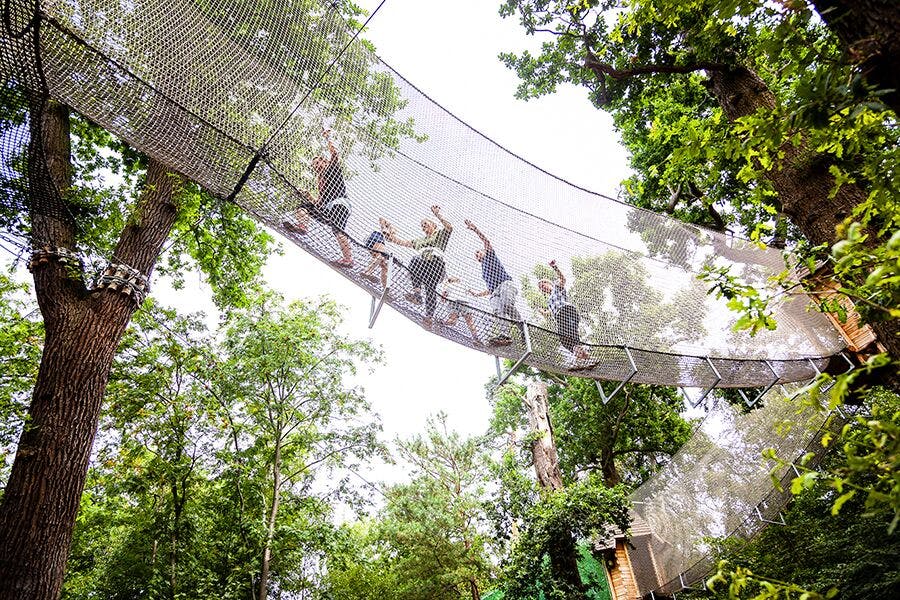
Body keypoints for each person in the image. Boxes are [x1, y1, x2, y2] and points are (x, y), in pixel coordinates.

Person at [282, 129, 354, 267]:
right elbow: (319, 204)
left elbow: (335, 153)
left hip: (339, 204)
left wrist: (328, 138)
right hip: (328, 210)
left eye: (317, 163)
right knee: (304, 207)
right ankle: (302, 226)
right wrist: (308, 195)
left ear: (324, 161)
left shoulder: (331, 169)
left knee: (338, 229)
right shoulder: (320, 181)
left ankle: (348, 259)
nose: (315, 166)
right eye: (313, 165)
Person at [380, 205, 453, 328]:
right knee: (415, 262)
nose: (424, 227)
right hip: (423, 266)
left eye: (426, 224)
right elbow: (402, 242)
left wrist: (437, 214)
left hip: (435, 265)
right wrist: (389, 236)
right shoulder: (420, 240)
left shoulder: (440, 235)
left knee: (430, 288)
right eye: (422, 226)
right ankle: (417, 295)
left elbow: (449, 227)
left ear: (433, 225)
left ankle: (429, 315)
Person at [464, 219, 522, 346]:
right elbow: (489, 289)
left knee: (507, 305)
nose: (477, 255)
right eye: (476, 255)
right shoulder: (483, 272)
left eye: (478, 252)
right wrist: (476, 294)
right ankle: (505, 336)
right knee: (497, 311)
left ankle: (521, 325)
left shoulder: (490, 256)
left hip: (505, 284)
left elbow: (486, 241)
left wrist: (475, 229)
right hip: (495, 291)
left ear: (484, 252)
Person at [538, 260, 593, 367]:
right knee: (565, 340)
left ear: (548, 283)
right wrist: (544, 312)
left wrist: (555, 267)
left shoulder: (556, 287)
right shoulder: (549, 300)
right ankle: (586, 357)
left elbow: (563, 279)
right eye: (540, 288)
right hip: (560, 316)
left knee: (570, 335)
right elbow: (551, 312)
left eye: (542, 284)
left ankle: (578, 359)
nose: (542, 287)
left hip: (567, 311)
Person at [440, 274, 482, 345]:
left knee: (454, 321)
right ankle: (475, 338)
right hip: (462, 302)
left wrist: (444, 293)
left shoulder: (449, 285)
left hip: (454, 302)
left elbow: (443, 299)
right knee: (469, 321)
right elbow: (474, 294)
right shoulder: (460, 284)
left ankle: (442, 323)